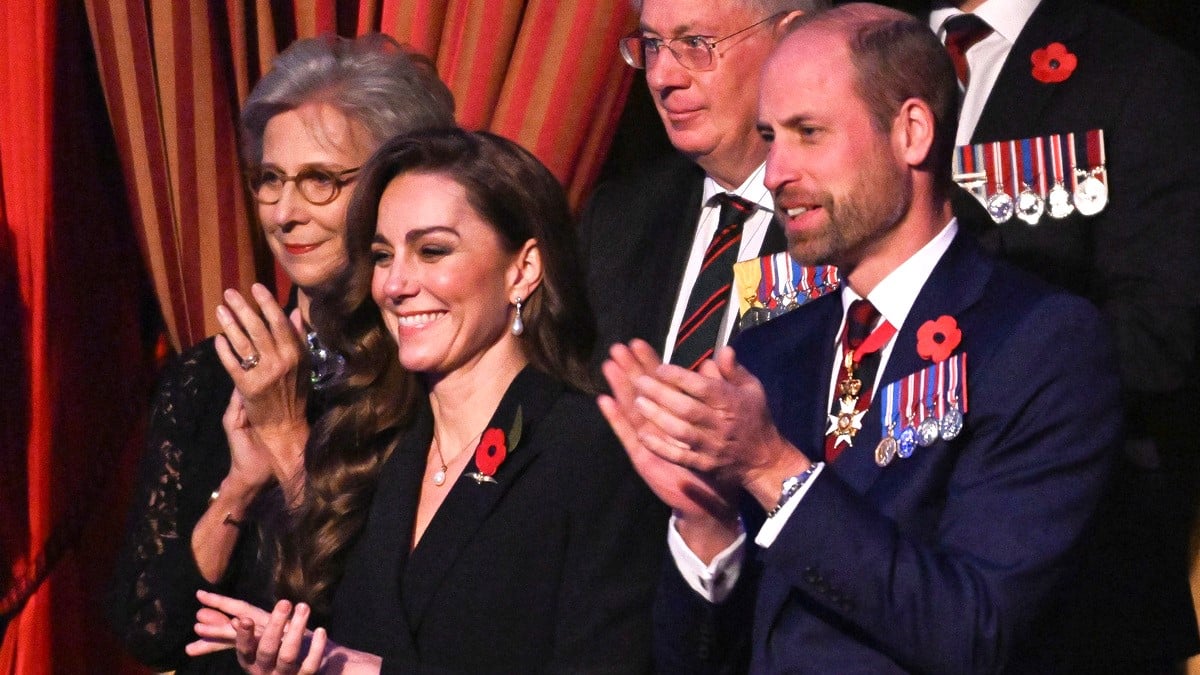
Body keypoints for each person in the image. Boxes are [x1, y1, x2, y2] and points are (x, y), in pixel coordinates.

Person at [599, 4, 1125, 671]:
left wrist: (773, 470)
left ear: (910, 131)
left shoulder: (1038, 341)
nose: (778, 169)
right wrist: (706, 524)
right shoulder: (768, 352)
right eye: (770, 134)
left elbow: (978, 631)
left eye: (808, 133)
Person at [186, 129, 669, 673]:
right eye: (382, 255)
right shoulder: (371, 439)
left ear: (523, 269)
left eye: (432, 251)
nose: (395, 284)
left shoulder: (592, 449)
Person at [107, 34, 455, 673]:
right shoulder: (206, 376)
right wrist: (240, 486)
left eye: (319, 181)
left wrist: (289, 440)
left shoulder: (434, 377)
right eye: (270, 180)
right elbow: (149, 628)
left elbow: (385, 626)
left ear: (396, 186)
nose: (285, 213)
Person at [930, 0, 1200, 667]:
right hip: (866, 574)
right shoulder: (865, 45)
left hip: (1068, 585)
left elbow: (1161, 332)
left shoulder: (1137, 75)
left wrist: (949, 398)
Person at [578, 0, 829, 371]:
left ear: (791, 41)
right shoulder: (618, 218)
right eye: (651, 44)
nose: (661, 77)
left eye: (695, 43)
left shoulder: (856, 219)